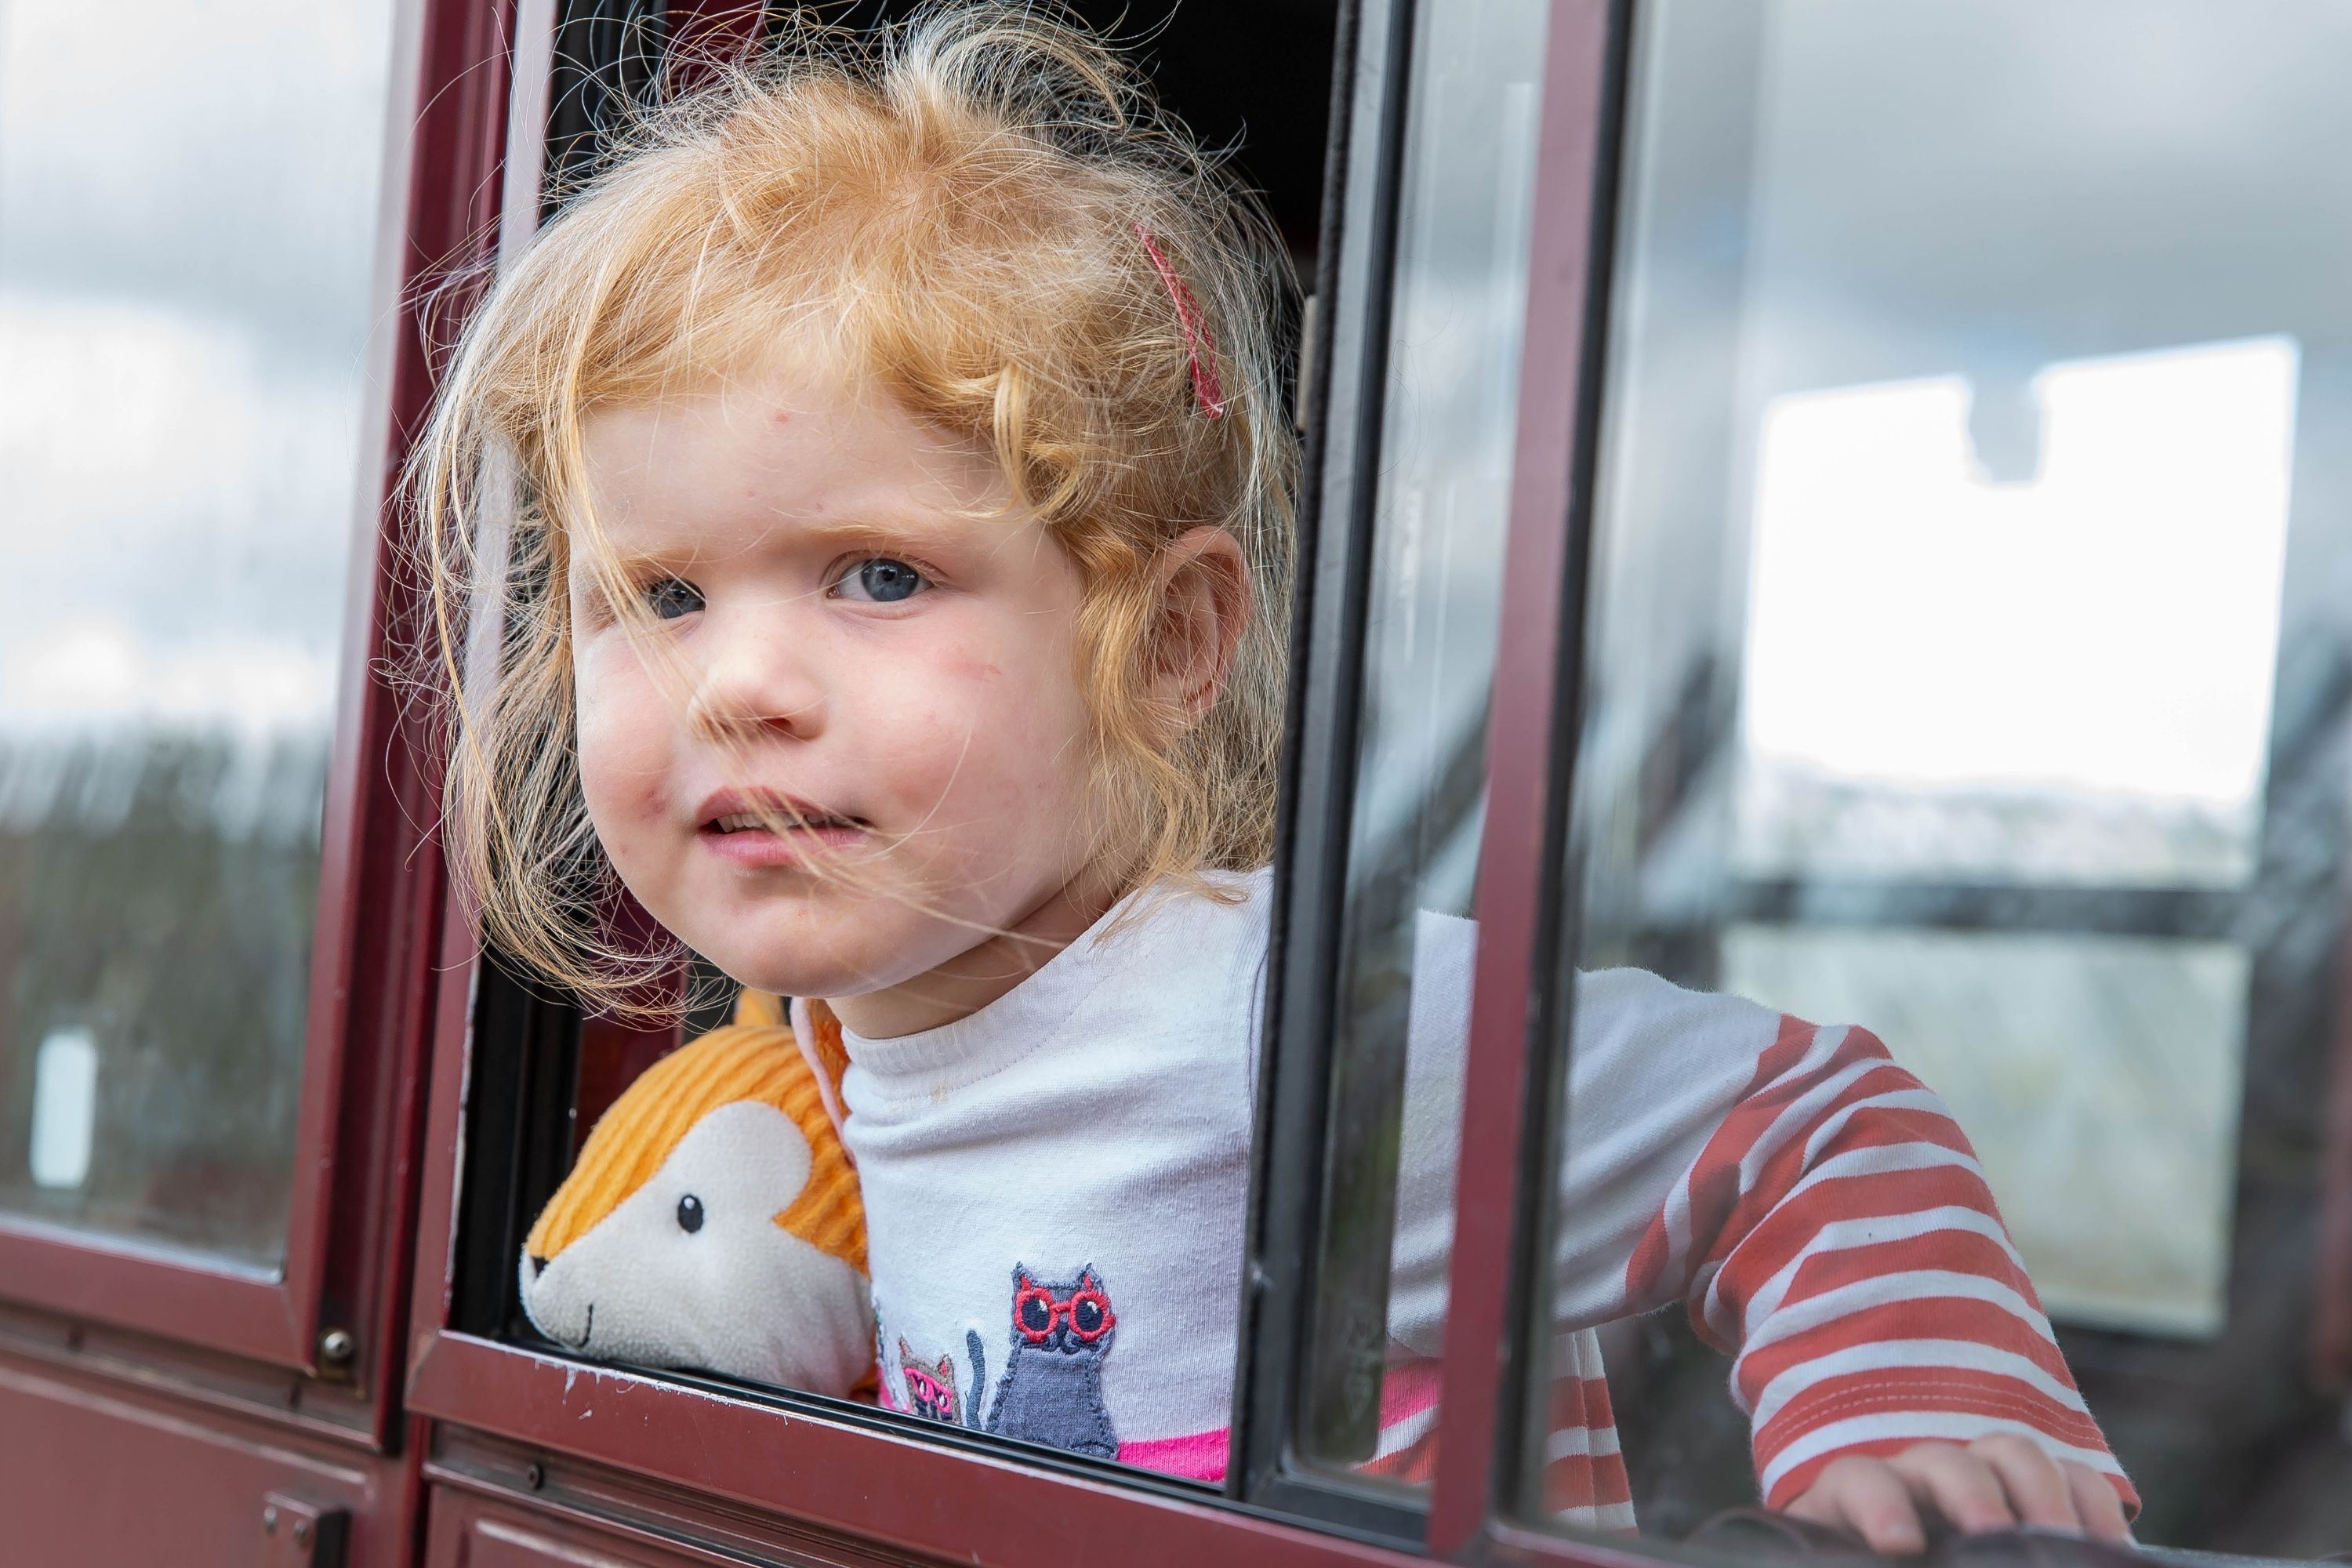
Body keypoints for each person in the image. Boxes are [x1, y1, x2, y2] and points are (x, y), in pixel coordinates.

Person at [411, 5, 2135, 1550]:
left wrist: (1929, 1427)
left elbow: (1810, 1124)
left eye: (878, 574)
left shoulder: (1273, 1019)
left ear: (1169, 644)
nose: (740, 685)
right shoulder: (843, 1046)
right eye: (661, 595)